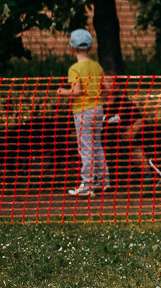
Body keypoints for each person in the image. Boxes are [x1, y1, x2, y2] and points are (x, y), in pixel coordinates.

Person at [56, 29, 107, 196]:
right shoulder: (97, 66)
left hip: (83, 111)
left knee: (85, 147)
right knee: (96, 145)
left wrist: (62, 92)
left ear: (72, 48)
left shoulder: (74, 69)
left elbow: (76, 91)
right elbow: (104, 88)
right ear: (91, 48)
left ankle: (87, 184)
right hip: (98, 108)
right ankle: (104, 180)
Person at [99, 73, 150, 189]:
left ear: (116, 87)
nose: (101, 84)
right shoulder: (94, 106)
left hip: (122, 140)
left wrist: (132, 130)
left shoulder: (125, 104)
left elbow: (140, 121)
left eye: (106, 81)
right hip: (100, 140)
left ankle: (147, 177)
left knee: (134, 147)